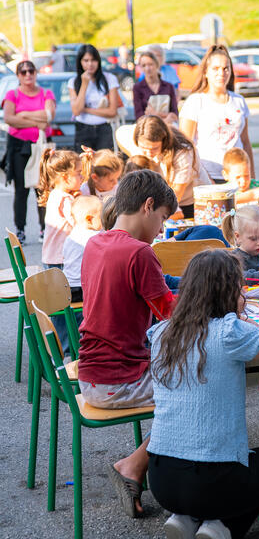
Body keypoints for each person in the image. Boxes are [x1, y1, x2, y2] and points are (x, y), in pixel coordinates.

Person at [147, 249, 259, 539]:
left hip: (161, 479)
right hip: (214, 481)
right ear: (230, 291)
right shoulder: (230, 331)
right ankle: (222, 528)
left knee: (205, 480)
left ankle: (186, 517)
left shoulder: (162, 333)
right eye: (240, 286)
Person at [78, 170, 178, 518]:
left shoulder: (96, 243)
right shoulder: (140, 253)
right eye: (162, 218)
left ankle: (147, 463)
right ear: (148, 206)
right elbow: (171, 314)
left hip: (92, 372)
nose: (161, 229)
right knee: (199, 388)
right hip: (117, 379)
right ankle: (134, 465)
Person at [179, 45, 255, 182]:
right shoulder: (196, 101)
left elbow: (245, 142)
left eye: (226, 68)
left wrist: (251, 175)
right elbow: (185, 146)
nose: (221, 73)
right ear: (205, 72)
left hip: (237, 178)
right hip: (207, 176)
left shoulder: (239, 101)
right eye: (215, 68)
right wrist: (205, 177)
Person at [2, 60, 56, 244]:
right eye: (23, 72)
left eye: (31, 71)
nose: (27, 75)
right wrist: (36, 121)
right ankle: (20, 229)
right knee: (21, 189)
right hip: (19, 147)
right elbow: (10, 118)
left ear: (35, 73)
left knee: (43, 188)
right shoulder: (13, 94)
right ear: (18, 75)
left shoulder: (46, 93)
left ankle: (44, 228)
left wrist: (23, 115)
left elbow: (48, 116)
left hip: (42, 145)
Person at [119, 115, 211, 219]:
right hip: (160, 199)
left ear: (164, 142)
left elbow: (176, 193)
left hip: (190, 201)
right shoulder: (133, 137)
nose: (148, 153)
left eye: (154, 148)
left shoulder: (182, 152)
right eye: (144, 148)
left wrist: (151, 217)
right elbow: (119, 132)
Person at [38, 149, 87, 269]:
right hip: (61, 259)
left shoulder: (56, 194)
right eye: (78, 173)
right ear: (65, 178)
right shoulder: (66, 200)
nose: (82, 177)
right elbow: (79, 225)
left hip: (52, 257)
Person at [68, 44, 119, 151]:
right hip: (83, 129)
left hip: (104, 128)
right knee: (84, 160)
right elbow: (76, 111)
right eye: (86, 60)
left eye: (93, 60)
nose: (90, 64)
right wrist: (84, 84)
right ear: (80, 62)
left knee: (105, 160)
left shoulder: (109, 79)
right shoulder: (73, 82)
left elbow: (112, 111)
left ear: (98, 61)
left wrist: (86, 110)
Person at [62, 195, 102, 304]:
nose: (103, 221)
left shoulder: (71, 236)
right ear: (89, 219)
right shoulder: (95, 237)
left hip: (67, 287)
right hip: (83, 289)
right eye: (101, 217)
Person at [133, 51, 178, 123]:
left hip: (168, 125)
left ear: (157, 65)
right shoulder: (138, 88)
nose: (147, 68)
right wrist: (165, 116)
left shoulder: (169, 86)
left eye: (150, 64)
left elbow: (175, 113)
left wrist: (155, 114)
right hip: (148, 125)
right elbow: (139, 116)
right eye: (144, 65)